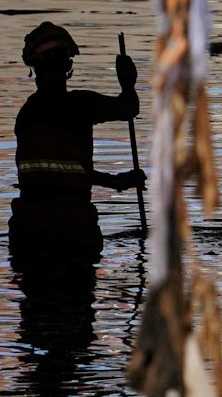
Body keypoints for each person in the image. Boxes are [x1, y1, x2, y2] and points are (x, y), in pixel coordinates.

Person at [9, 23, 143, 266]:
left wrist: (115, 181)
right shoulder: (81, 105)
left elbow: (59, 174)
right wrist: (128, 83)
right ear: (68, 65)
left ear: (34, 68)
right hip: (74, 229)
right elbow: (128, 108)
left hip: (29, 230)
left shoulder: (26, 115)